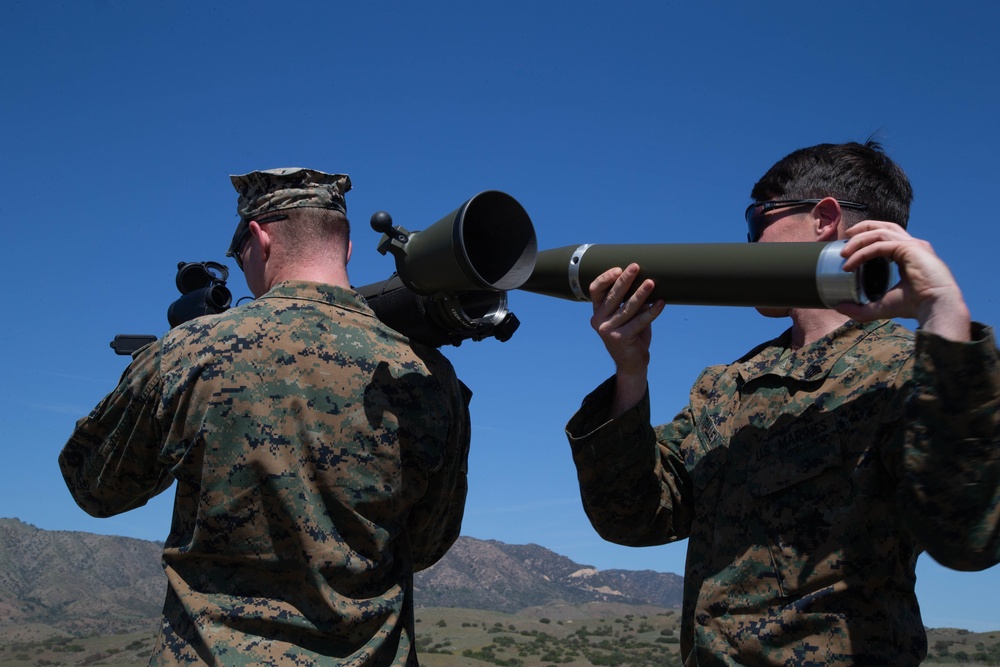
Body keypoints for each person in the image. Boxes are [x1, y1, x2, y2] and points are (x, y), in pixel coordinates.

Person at [565, 141, 1000, 666]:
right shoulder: (728, 387)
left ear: (824, 218)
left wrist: (943, 318)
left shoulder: (913, 371)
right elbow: (634, 518)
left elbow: (969, 537)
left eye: (757, 221)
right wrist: (630, 375)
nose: (747, 243)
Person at [58, 168, 473, 666]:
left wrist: (150, 382)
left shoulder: (191, 352)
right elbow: (426, 545)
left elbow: (94, 487)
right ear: (347, 247)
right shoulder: (429, 376)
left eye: (238, 250)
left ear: (259, 235)